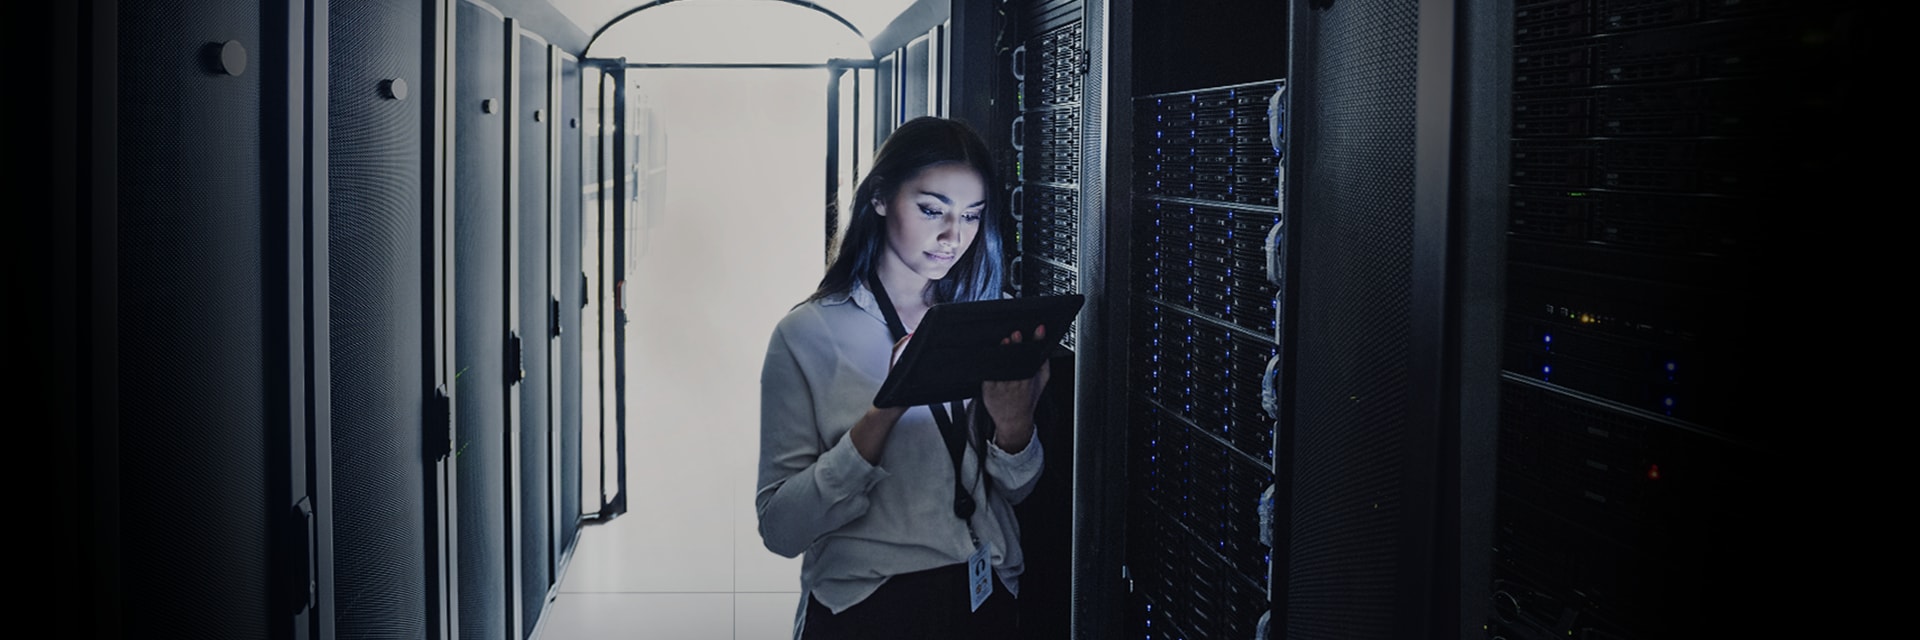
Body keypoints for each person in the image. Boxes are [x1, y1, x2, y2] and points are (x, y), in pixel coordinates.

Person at [755, 116, 1052, 639]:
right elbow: (782, 529)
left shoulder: (991, 318)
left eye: (972, 216)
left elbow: (1017, 489)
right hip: (866, 605)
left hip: (984, 595)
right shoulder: (806, 335)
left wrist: (1014, 427)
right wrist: (886, 407)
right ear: (880, 198)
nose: (952, 237)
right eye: (932, 209)